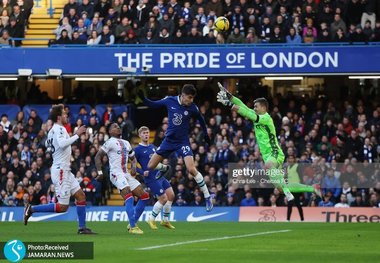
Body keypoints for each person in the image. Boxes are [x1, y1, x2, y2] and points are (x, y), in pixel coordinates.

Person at [216, 82, 321, 201]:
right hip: (267, 156)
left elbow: (245, 112)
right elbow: (243, 106)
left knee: (269, 166)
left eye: (256, 106)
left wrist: (229, 104)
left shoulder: (266, 118)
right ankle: (312, 188)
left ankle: (288, 194)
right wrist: (230, 96)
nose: (254, 108)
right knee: (280, 188)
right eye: (254, 106)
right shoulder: (257, 116)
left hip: (274, 152)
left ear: (264, 108)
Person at [138, 84, 214, 212]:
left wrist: (206, 135)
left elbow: (201, 120)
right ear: (182, 95)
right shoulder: (170, 100)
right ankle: (164, 168)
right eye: (189, 97)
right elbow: (153, 104)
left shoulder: (192, 108)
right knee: (150, 166)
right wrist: (143, 99)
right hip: (168, 141)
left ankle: (207, 197)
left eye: (192, 98)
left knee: (191, 169)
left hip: (183, 142)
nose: (191, 100)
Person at [23, 104, 95, 234]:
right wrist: (77, 135)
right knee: (63, 207)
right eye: (64, 113)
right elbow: (61, 144)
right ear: (58, 117)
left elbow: (48, 145)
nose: (66, 115)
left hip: (64, 169)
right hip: (61, 170)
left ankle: (82, 228)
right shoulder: (59, 129)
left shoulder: (52, 130)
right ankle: (31, 209)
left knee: (80, 195)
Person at [94, 123, 149, 234]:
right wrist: (100, 172)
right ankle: (133, 227)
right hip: (116, 174)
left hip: (126, 174)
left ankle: (132, 223)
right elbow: (97, 156)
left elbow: (133, 159)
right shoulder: (109, 142)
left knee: (145, 196)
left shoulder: (126, 143)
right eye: (115, 127)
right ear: (110, 131)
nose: (118, 127)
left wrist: (133, 168)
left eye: (118, 126)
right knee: (129, 195)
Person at [134, 126, 175, 230]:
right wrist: (143, 172)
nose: (146, 134)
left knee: (171, 195)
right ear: (139, 135)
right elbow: (133, 167)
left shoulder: (153, 147)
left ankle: (165, 220)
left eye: (147, 132)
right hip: (151, 178)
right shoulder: (137, 150)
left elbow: (158, 160)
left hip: (159, 176)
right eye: (143, 133)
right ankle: (151, 219)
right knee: (163, 198)